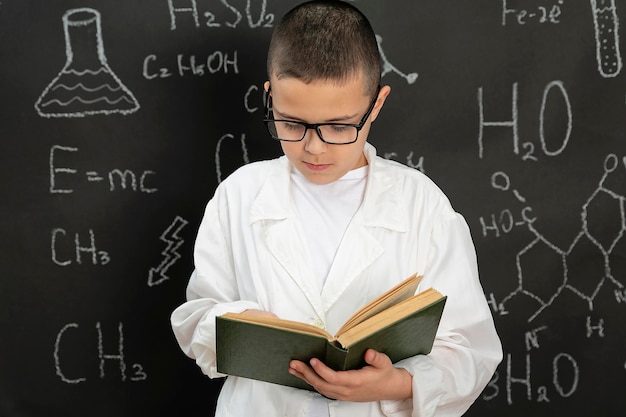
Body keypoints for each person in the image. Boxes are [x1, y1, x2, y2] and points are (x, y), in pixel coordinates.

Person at [170, 1, 502, 416]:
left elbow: (470, 347)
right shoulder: (239, 195)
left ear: (376, 106)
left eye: (340, 127)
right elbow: (196, 318)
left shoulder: (422, 205)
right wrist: (246, 324)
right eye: (291, 124)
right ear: (270, 96)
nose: (314, 147)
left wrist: (397, 383)